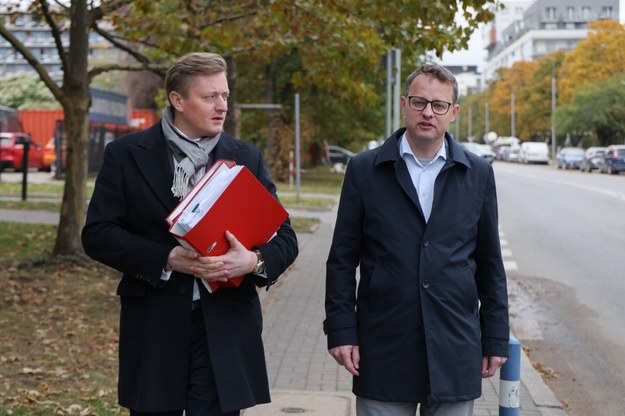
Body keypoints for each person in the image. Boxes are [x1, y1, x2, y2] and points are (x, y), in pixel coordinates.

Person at [82, 52, 298, 416]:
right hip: (154, 324)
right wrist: (166, 258)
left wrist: (253, 260)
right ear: (177, 100)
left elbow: (285, 237)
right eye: (210, 96)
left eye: (225, 96)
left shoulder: (246, 157)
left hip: (226, 326)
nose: (222, 106)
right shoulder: (126, 154)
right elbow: (98, 234)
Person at [323, 64, 509, 416]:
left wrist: (496, 336)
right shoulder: (365, 171)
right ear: (404, 104)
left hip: (454, 345)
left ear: (453, 113)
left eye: (439, 105)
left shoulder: (478, 174)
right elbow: (342, 259)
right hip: (383, 347)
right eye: (420, 102)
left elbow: (490, 264)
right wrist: (341, 329)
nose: (428, 112)